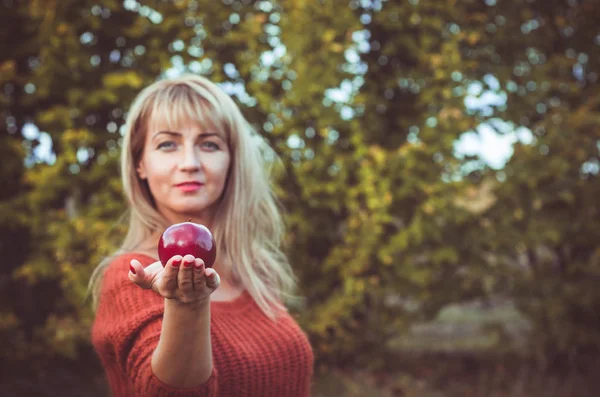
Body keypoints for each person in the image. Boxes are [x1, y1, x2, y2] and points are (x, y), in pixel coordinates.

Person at [88, 74, 314, 396]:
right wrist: (185, 305)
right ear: (141, 164)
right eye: (168, 144)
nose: (190, 163)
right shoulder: (131, 277)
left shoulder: (253, 271)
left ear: (232, 160)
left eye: (209, 144)